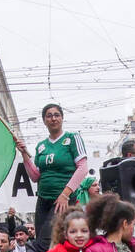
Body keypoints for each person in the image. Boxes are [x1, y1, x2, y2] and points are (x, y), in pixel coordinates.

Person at [15, 103, 88, 244]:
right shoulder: (41, 146)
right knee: (41, 240)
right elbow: (35, 176)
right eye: (49, 116)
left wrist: (65, 194)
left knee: (45, 242)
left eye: (57, 115)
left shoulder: (72, 138)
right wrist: (24, 154)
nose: (53, 118)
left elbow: (83, 167)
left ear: (62, 118)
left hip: (63, 200)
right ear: (44, 121)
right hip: (43, 200)